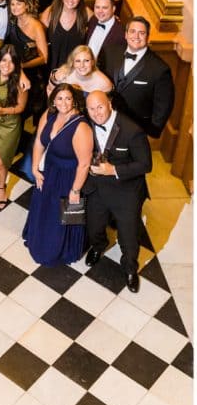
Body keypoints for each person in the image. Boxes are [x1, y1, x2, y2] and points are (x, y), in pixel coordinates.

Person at [83, 90, 152, 292]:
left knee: (129, 235)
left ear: (110, 104)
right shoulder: (86, 125)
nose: (96, 113)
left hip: (126, 190)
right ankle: (98, 246)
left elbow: (145, 165)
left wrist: (113, 170)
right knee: (94, 225)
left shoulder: (132, 130)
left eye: (100, 107)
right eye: (91, 109)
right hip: (97, 186)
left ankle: (130, 268)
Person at [23, 84, 93, 266]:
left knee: (64, 216)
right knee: (44, 207)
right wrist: (35, 168)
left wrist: (75, 190)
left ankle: (64, 249)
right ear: (53, 99)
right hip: (49, 170)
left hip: (69, 177)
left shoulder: (81, 126)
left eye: (68, 98)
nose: (64, 102)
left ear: (74, 100)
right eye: (59, 98)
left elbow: (84, 164)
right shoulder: (49, 114)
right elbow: (39, 141)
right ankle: (39, 239)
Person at [104, 16, 175, 138]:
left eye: (141, 33)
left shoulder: (160, 68)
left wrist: (153, 130)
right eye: (132, 31)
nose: (136, 37)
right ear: (126, 34)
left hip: (135, 128)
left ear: (148, 37)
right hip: (105, 118)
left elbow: (164, 104)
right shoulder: (109, 52)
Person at [0, 45, 29, 209]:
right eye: (4, 60)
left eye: (12, 62)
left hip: (9, 126)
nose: (6, 65)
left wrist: (3, 111)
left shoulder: (20, 83)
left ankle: (1, 188)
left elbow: (20, 108)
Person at [40, 0, 92, 72]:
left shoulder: (85, 12)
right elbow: (38, 36)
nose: (71, 0)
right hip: (51, 68)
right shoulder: (51, 12)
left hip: (76, 69)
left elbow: (100, 22)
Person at [48, 44, 113, 98]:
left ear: (93, 62)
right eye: (78, 61)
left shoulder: (104, 83)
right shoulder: (62, 74)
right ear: (73, 62)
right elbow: (50, 92)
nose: (82, 65)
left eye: (86, 61)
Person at [85, 0, 125, 72]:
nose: (100, 11)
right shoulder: (93, 20)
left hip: (103, 75)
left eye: (105, 8)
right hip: (84, 69)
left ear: (113, 9)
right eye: (97, 7)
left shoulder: (121, 34)